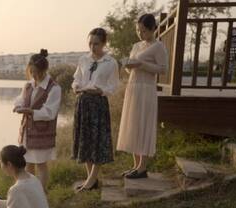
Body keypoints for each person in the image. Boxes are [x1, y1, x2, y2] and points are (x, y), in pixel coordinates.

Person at [116, 14, 168, 179]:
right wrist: (128, 65)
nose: (141, 34)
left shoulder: (158, 46)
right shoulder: (137, 46)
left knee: (143, 124)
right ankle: (135, 165)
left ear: (153, 28)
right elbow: (130, 68)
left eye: (144, 31)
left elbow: (163, 69)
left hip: (146, 89)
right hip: (133, 88)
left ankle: (142, 167)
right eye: (139, 30)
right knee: (133, 125)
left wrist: (141, 64)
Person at [72, 28, 120, 192]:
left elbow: (114, 86)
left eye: (96, 44)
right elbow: (77, 78)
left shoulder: (110, 62)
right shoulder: (83, 59)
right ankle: (91, 180)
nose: (93, 47)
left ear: (104, 43)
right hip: (83, 103)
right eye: (90, 43)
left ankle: (91, 180)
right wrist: (76, 87)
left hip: (98, 104)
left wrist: (100, 91)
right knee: (85, 140)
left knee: (97, 141)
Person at [14, 49, 62, 189]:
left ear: (44, 70)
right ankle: (31, 191)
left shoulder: (54, 88)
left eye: (37, 72)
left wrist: (30, 111)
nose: (34, 76)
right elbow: (21, 99)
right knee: (28, 162)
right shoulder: (28, 85)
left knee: (41, 164)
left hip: (42, 132)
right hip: (27, 132)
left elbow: (49, 112)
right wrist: (18, 106)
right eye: (32, 72)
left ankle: (41, 194)